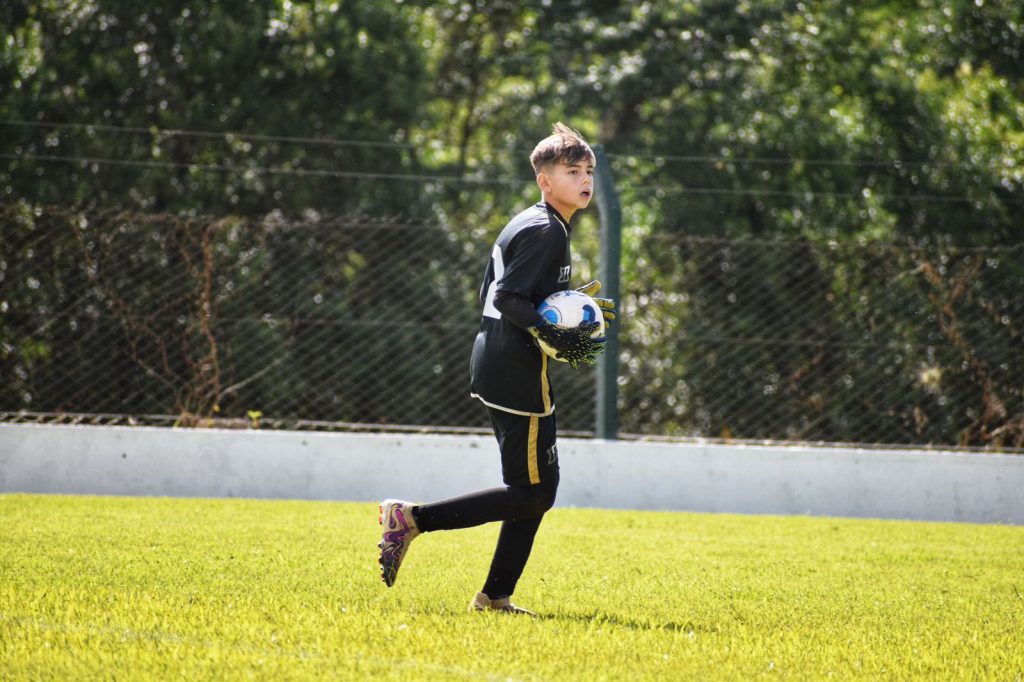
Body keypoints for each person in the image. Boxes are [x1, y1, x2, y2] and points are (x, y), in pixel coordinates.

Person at [377, 122, 616, 615]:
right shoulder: (546, 230)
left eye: (589, 171)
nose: (585, 180)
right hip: (514, 369)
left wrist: (562, 306)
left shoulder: (538, 221)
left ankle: (494, 597)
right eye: (572, 171)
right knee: (531, 494)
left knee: (537, 490)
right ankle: (412, 518)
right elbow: (507, 297)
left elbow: (504, 291)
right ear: (545, 180)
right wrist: (551, 329)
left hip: (500, 359)